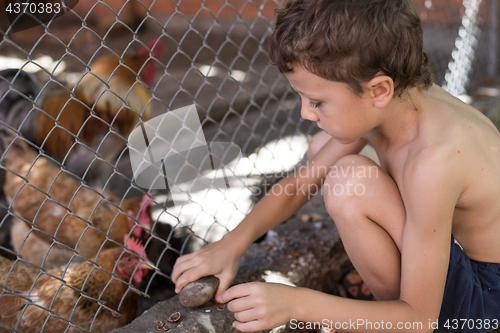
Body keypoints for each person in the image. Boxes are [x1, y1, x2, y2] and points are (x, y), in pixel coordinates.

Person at [171, 0, 500, 332]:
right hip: (467, 264)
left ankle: (389, 319)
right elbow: (300, 185)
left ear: (379, 90)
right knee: (325, 151)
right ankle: (387, 314)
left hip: (487, 305)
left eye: (317, 101)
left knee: (348, 181)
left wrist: (295, 302)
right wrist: (232, 243)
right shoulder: (395, 100)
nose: (305, 113)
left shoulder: (432, 160)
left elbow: (420, 319)